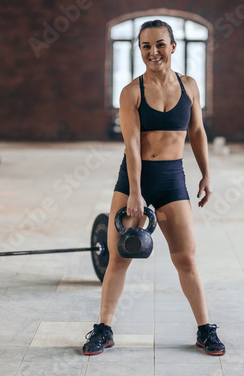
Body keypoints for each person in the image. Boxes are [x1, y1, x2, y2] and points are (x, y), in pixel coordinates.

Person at [82, 19, 225, 357]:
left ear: (173, 47)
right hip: (134, 179)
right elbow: (132, 146)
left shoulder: (189, 86)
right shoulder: (132, 92)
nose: (153, 51)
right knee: (118, 257)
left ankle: (206, 330)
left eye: (160, 44)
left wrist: (206, 174)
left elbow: (198, 132)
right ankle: (104, 328)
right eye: (146, 46)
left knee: (187, 259)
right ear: (140, 50)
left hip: (173, 180)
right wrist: (134, 192)